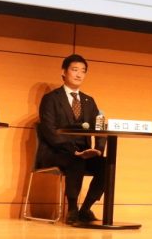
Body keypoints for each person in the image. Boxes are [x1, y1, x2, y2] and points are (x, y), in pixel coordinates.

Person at [36, 53, 106, 225]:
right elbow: (49, 131)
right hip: (56, 152)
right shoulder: (51, 99)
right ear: (64, 72)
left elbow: (100, 128)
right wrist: (73, 151)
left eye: (83, 71)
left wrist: (98, 150)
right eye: (75, 70)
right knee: (76, 160)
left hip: (83, 153)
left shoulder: (89, 101)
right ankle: (72, 209)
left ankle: (86, 209)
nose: (79, 74)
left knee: (106, 164)